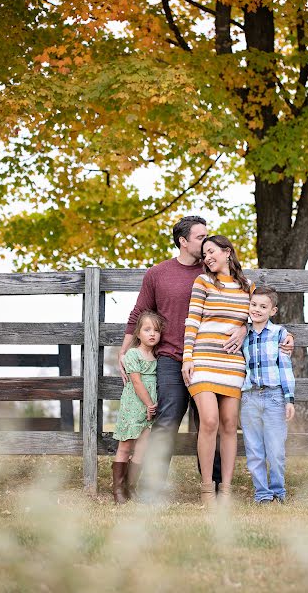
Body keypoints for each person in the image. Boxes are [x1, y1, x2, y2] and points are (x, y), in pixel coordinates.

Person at [118, 216, 244, 501]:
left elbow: (241, 304)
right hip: (171, 358)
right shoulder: (158, 273)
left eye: (208, 237)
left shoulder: (213, 270)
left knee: (209, 422)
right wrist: (124, 350)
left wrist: (244, 327)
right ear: (183, 241)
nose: (206, 242)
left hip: (210, 361)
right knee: (166, 420)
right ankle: (152, 487)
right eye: (200, 238)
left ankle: (211, 485)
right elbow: (139, 312)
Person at [182, 236, 256, 505]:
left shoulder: (248, 287)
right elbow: (193, 320)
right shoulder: (203, 282)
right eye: (204, 254)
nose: (208, 257)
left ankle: (225, 491)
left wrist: (244, 328)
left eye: (212, 251)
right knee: (209, 420)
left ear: (227, 252)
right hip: (202, 360)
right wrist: (187, 358)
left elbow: (258, 321)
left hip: (233, 365)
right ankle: (206, 491)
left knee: (228, 426)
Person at [240, 286, 295, 504]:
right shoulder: (244, 333)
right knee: (254, 450)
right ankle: (262, 494)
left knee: (276, 450)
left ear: (273, 311)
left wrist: (289, 399)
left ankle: (278, 491)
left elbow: (285, 366)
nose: (257, 309)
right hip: (249, 398)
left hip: (274, 397)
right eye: (254, 305)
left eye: (263, 306)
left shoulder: (279, 333)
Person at [112, 310, 164, 503]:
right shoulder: (133, 354)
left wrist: (152, 406)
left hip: (150, 408)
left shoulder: (158, 357)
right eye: (147, 329)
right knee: (125, 446)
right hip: (135, 404)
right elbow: (137, 383)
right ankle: (118, 489)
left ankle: (131, 486)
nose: (152, 334)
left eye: (156, 331)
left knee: (142, 447)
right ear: (138, 333)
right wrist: (150, 404)